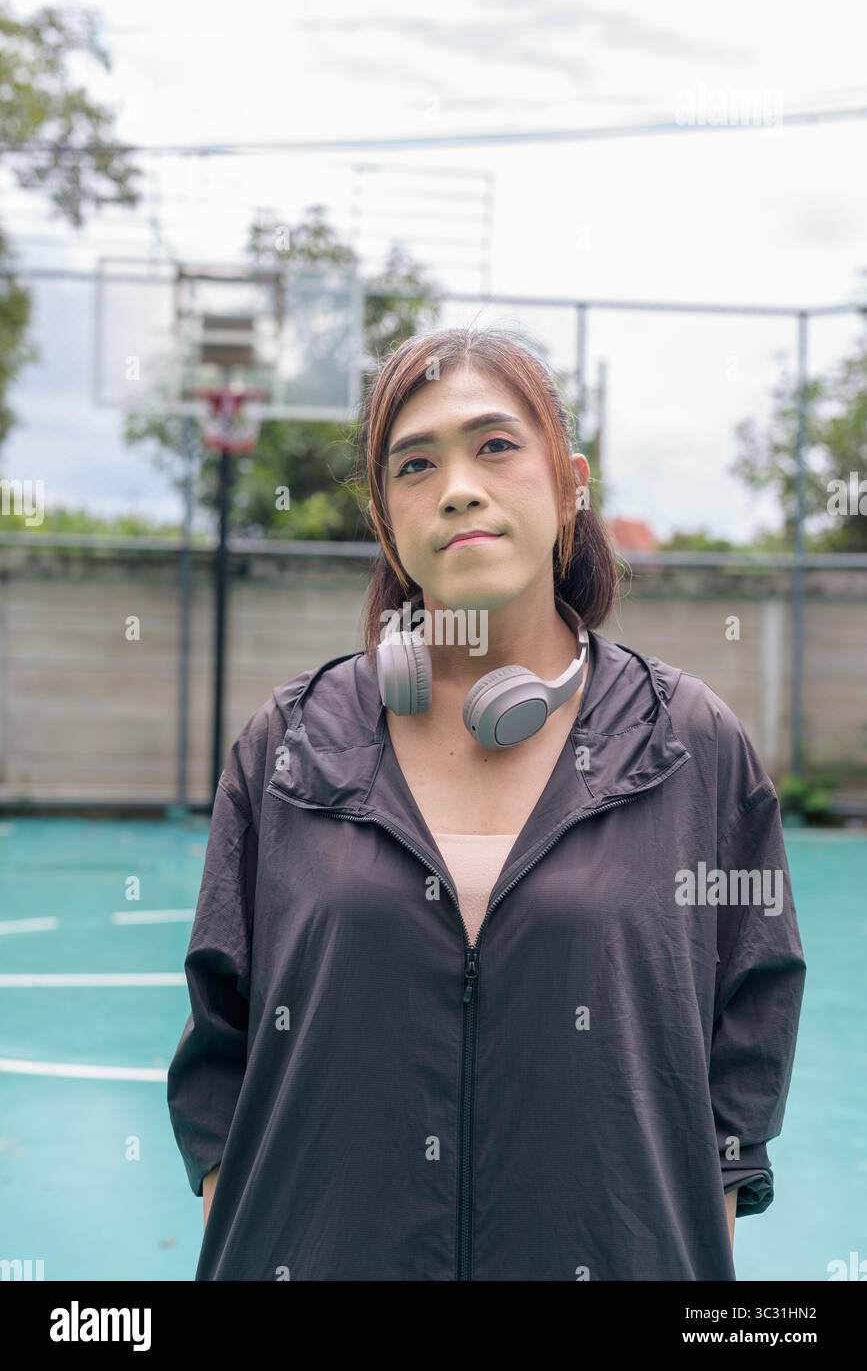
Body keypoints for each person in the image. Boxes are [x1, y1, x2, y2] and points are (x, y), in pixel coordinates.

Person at [167, 326, 806, 1281]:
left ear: (569, 481)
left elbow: (745, 1043)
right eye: (415, 464)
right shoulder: (289, 743)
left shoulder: (689, 742)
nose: (458, 485)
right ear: (387, 518)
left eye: (496, 446)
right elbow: (219, 1046)